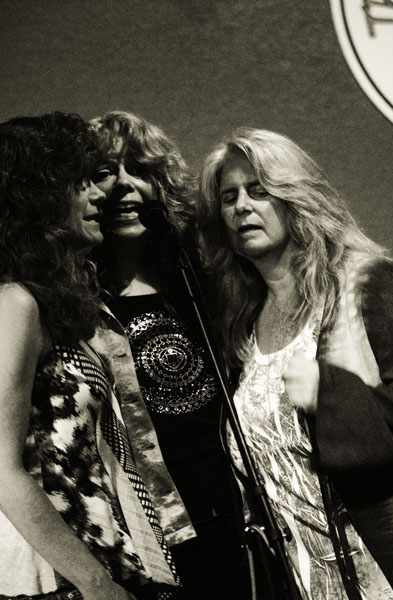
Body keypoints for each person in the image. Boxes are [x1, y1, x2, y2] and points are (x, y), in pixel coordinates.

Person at [197, 127, 393, 600]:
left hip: (386, 566)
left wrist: (330, 393)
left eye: (259, 190)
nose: (242, 206)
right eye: (229, 197)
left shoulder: (366, 284)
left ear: (295, 197)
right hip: (307, 581)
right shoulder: (241, 325)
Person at [0, 112, 181, 600]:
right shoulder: (14, 304)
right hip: (45, 577)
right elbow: (1, 469)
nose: (99, 194)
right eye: (79, 183)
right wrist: (94, 582)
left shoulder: (58, 308)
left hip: (91, 565)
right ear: (37, 196)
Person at [90, 111, 248, 600]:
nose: (124, 185)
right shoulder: (76, 302)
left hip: (240, 520)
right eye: (104, 172)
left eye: (139, 170)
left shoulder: (202, 280)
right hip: (152, 538)